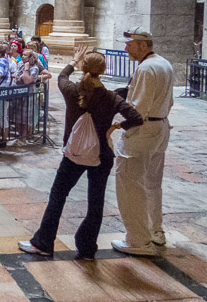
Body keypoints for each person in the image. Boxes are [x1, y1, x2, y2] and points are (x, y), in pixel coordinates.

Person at [19, 46, 142, 260]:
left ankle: (44, 242)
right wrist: (116, 127)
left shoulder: (73, 90)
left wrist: (74, 61)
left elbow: (62, 76)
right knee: (96, 203)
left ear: (84, 67)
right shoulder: (111, 97)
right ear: (103, 70)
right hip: (102, 156)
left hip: (73, 155)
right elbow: (136, 118)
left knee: (58, 196)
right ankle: (86, 248)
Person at [112, 27, 175, 256]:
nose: (126, 48)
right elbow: (168, 101)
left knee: (129, 184)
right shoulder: (163, 63)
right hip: (160, 128)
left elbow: (137, 109)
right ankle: (155, 232)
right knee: (151, 184)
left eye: (130, 44)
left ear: (143, 45)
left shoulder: (147, 68)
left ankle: (138, 240)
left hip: (143, 132)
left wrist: (118, 125)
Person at [11, 49, 40, 145]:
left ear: (31, 58)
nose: (22, 56)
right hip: (17, 93)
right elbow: (15, 76)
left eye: (25, 55)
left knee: (24, 118)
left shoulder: (34, 68)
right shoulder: (20, 64)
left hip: (27, 95)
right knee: (16, 117)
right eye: (22, 55)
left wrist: (26, 69)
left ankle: (23, 138)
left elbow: (27, 81)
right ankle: (19, 136)